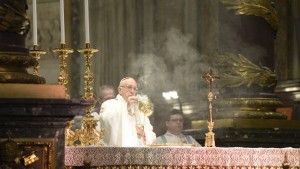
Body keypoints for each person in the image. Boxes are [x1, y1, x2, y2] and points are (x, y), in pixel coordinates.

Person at [99, 77, 156, 147]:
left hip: (138, 153)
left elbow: (151, 133)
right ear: (120, 90)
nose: (132, 91)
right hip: (117, 153)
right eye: (129, 87)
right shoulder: (109, 104)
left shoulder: (139, 110)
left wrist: (144, 133)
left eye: (135, 89)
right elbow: (106, 122)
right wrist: (126, 108)